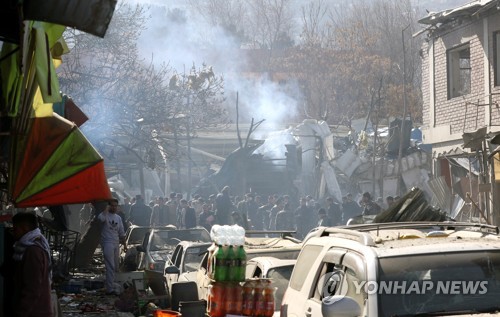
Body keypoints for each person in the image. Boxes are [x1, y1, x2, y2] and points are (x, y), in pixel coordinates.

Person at [12, 212, 52, 317]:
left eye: (15, 229)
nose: (13, 233)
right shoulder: (36, 245)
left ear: (25, 228)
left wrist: (21, 312)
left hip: (34, 311)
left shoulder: (32, 251)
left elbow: (32, 288)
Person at [98, 199, 126, 295]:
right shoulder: (104, 215)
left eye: (115, 206)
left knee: (116, 267)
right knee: (110, 266)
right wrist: (106, 209)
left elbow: (122, 232)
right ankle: (109, 289)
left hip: (116, 243)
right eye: (112, 206)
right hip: (107, 243)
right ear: (109, 206)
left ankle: (112, 284)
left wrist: (125, 245)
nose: (114, 207)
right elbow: (100, 219)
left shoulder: (118, 218)